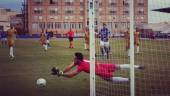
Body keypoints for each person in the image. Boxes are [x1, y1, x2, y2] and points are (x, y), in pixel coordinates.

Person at [51, 52, 144, 83]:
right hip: (102, 64)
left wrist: (62, 74)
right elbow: (70, 66)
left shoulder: (81, 67)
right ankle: (138, 66)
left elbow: (72, 75)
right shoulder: (81, 61)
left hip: (100, 71)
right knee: (119, 66)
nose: (73, 59)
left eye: (74, 58)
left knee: (110, 79)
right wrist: (62, 72)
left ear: (77, 59)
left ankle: (128, 80)